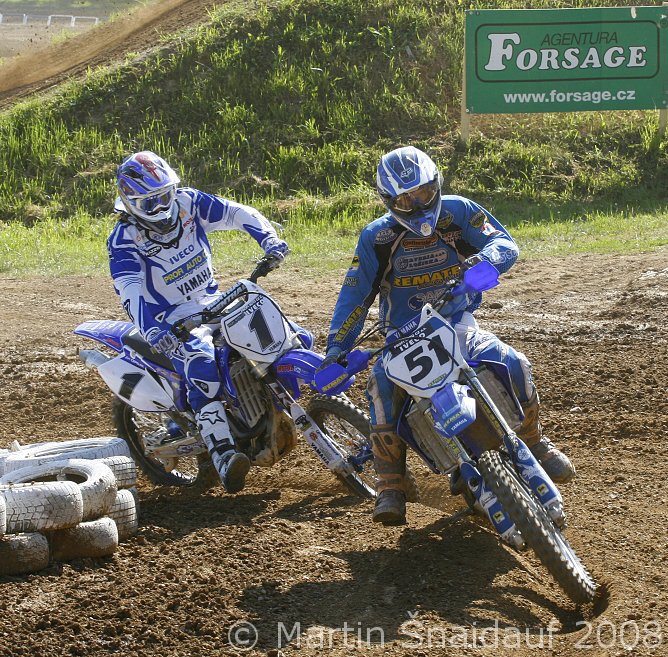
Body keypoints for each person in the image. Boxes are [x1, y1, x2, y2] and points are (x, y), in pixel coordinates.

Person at [320, 146, 575, 526]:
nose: (417, 205)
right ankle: (391, 484)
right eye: (405, 200)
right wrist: (337, 349)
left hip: (456, 322)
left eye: (423, 193)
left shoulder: (459, 211)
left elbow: (504, 243)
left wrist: (484, 262)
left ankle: (534, 440)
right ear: (388, 200)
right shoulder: (377, 237)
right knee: (380, 388)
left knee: (513, 361)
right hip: (401, 336)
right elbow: (354, 296)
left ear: (436, 186)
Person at [108, 151, 289, 493]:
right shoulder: (124, 238)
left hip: (213, 300)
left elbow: (236, 213)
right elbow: (129, 289)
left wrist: (269, 239)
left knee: (275, 331)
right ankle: (224, 455)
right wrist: (154, 329)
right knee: (203, 367)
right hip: (172, 320)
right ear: (130, 203)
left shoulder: (188, 203)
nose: (162, 207)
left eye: (165, 196)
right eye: (150, 203)